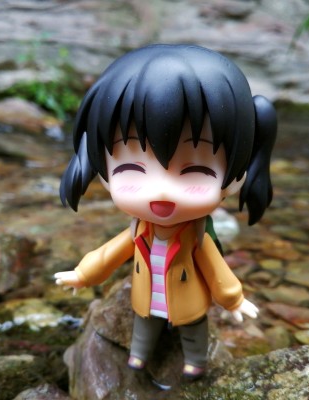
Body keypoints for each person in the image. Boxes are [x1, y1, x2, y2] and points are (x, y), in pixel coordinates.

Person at [54, 44, 277, 378]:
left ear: (235, 178)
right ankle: (138, 356)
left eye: (195, 171)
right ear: (104, 172)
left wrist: (233, 300)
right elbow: (109, 254)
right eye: (131, 167)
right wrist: (83, 275)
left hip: (187, 298)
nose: (160, 190)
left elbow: (216, 270)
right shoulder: (139, 230)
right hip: (147, 296)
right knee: (144, 324)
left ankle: (195, 362)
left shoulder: (195, 236)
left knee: (193, 328)